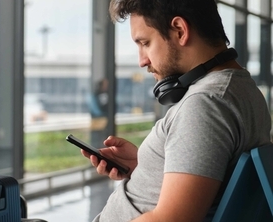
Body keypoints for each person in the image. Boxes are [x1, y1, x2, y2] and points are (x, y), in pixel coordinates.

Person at [81, 0, 272, 221]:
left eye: (145, 43)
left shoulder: (204, 104)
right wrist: (146, 164)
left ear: (180, 30)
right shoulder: (243, 90)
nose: (142, 60)